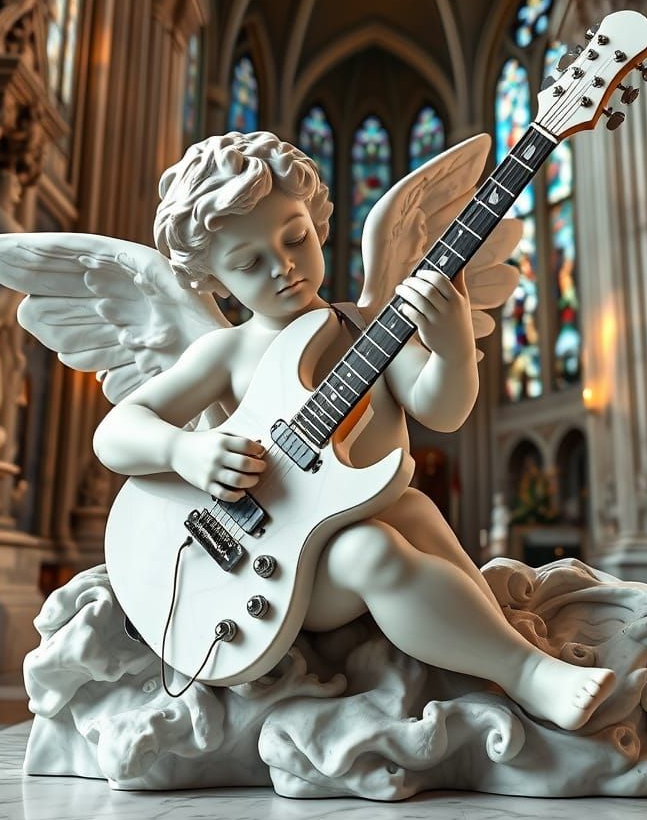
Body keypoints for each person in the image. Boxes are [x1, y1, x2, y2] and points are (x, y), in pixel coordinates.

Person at [93, 130, 615, 731]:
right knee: (372, 548)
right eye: (248, 263)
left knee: (413, 510)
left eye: (296, 238)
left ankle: (499, 652)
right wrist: (183, 449)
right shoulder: (227, 352)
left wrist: (449, 350)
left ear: (317, 221)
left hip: (333, 529)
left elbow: (440, 411)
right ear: (210, 279)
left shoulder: (369, 326)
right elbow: (117, 432)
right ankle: (526, 676)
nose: (283, 267)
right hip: (275, 568)